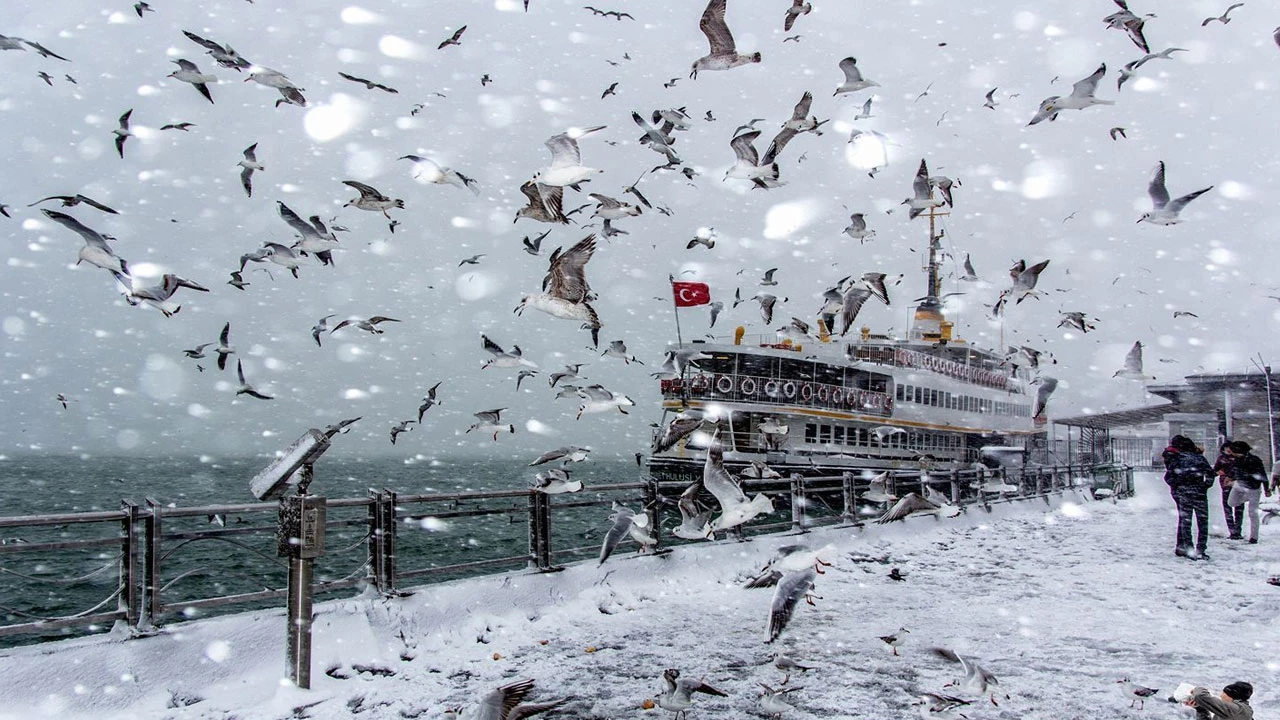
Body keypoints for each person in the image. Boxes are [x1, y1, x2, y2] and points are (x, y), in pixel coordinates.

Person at [1162, 434, 1215, 559]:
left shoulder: (1177, 459)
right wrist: (1205, 485)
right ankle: (1201, 549)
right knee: (1202, 522)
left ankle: (1188, 548)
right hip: (1199, 493)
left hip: (1184, 493)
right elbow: (1210, 474)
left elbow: (1168, 477)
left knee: (1186, 521)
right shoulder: (1200, 459)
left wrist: (1178, 486)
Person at [1225, 441, 1270, 545]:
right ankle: (1245, 498)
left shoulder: (1254, 460)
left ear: (1238, 451)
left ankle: (1254, 537)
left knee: (1252, 514)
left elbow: (1262, 475)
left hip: (1253, 488)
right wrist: (1229, 477)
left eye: (1232, 451)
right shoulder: (1236, 459)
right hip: (1239, 485)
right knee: (1231, 503)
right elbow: (1234, 469)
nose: (1230, 453)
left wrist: (1266, 489)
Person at [1213, 442, 1244, 540]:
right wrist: (1218, 473)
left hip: (1237, 485)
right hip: (1226, 485)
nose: (1228, 451)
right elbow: (1215, 471)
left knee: (1238, 508)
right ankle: (1233, 531)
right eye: (1226, 449)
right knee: (1228, 508)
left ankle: (1237, 530)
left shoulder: (1238, 458)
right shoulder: (1222, 459)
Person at [1185, 681, 1253, 720]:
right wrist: (1200, 709)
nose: (1220, 695)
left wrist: (1195, 689)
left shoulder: (1237, 710)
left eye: (1223, 693)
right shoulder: (1229, 711)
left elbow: (1199, 695)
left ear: (1230, 695)